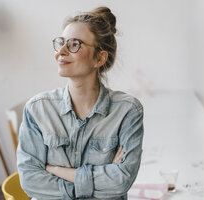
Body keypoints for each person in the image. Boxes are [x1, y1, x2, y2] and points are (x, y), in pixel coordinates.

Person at [17, 6, 144, 200]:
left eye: (74, 44)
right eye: (61, 43)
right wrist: (101, 178)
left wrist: (54, 169)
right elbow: (30, 181)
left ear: (99, 58)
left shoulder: (128, 111)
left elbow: (121, 182)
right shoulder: (37, 109)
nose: (61, 52)